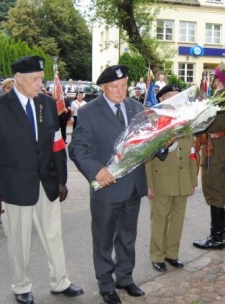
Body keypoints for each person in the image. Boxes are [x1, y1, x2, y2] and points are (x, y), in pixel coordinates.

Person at [0, 55, 83, 304]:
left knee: (53, 234)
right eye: (36, 79)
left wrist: (62, 179)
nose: (41, 83)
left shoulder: (47, 104)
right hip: (15, 187)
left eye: (41, 78)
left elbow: (57, 144)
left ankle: (60, 281)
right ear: (19, 79)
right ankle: (21, 285)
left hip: (46, 182)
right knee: (19, 239)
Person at [68, 65, 147, 304]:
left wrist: (162, 144)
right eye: (114, 86)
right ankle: (106, 283)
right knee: (103, 239)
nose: (120, 91)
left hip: (133, 184)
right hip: (107, 187)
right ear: (103, 87)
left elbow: (145, 142)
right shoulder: (90, 111)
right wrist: (96, 170)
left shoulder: (137, 107)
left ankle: (125, 277)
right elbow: (77, 149)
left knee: (127, 236)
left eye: (124, 86)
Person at [146, 84, 197, 273]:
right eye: (171, 96)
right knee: (160, 219)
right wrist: (149, 184)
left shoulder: (185, 121)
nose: (176, 100)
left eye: (178, 96)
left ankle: (172, 254)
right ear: (161, 99)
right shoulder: (154, 121)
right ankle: (157, 255)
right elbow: (147, 157)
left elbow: (192, 153)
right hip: (161, 180)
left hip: (182, 179)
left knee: (177, 219)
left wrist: (193, 181)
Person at [193, 62, 225, 250]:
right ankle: (222, 237)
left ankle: (217, 238)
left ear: (218, 80)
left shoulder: (218, 101)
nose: (211, 81)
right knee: (223, 194)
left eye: (213, 78)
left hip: (216, 151)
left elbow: (202, 125)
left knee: (213, 192)